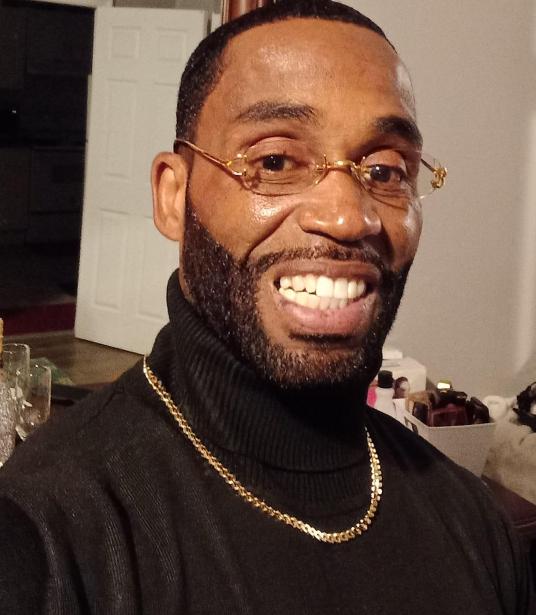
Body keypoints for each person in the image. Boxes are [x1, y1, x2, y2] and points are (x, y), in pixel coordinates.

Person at [0, 1, 533, 613]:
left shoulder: (474, 523)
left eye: (386, 170)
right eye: (275, 161)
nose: (348, 217)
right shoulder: (45, 537)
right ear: (173, 197)